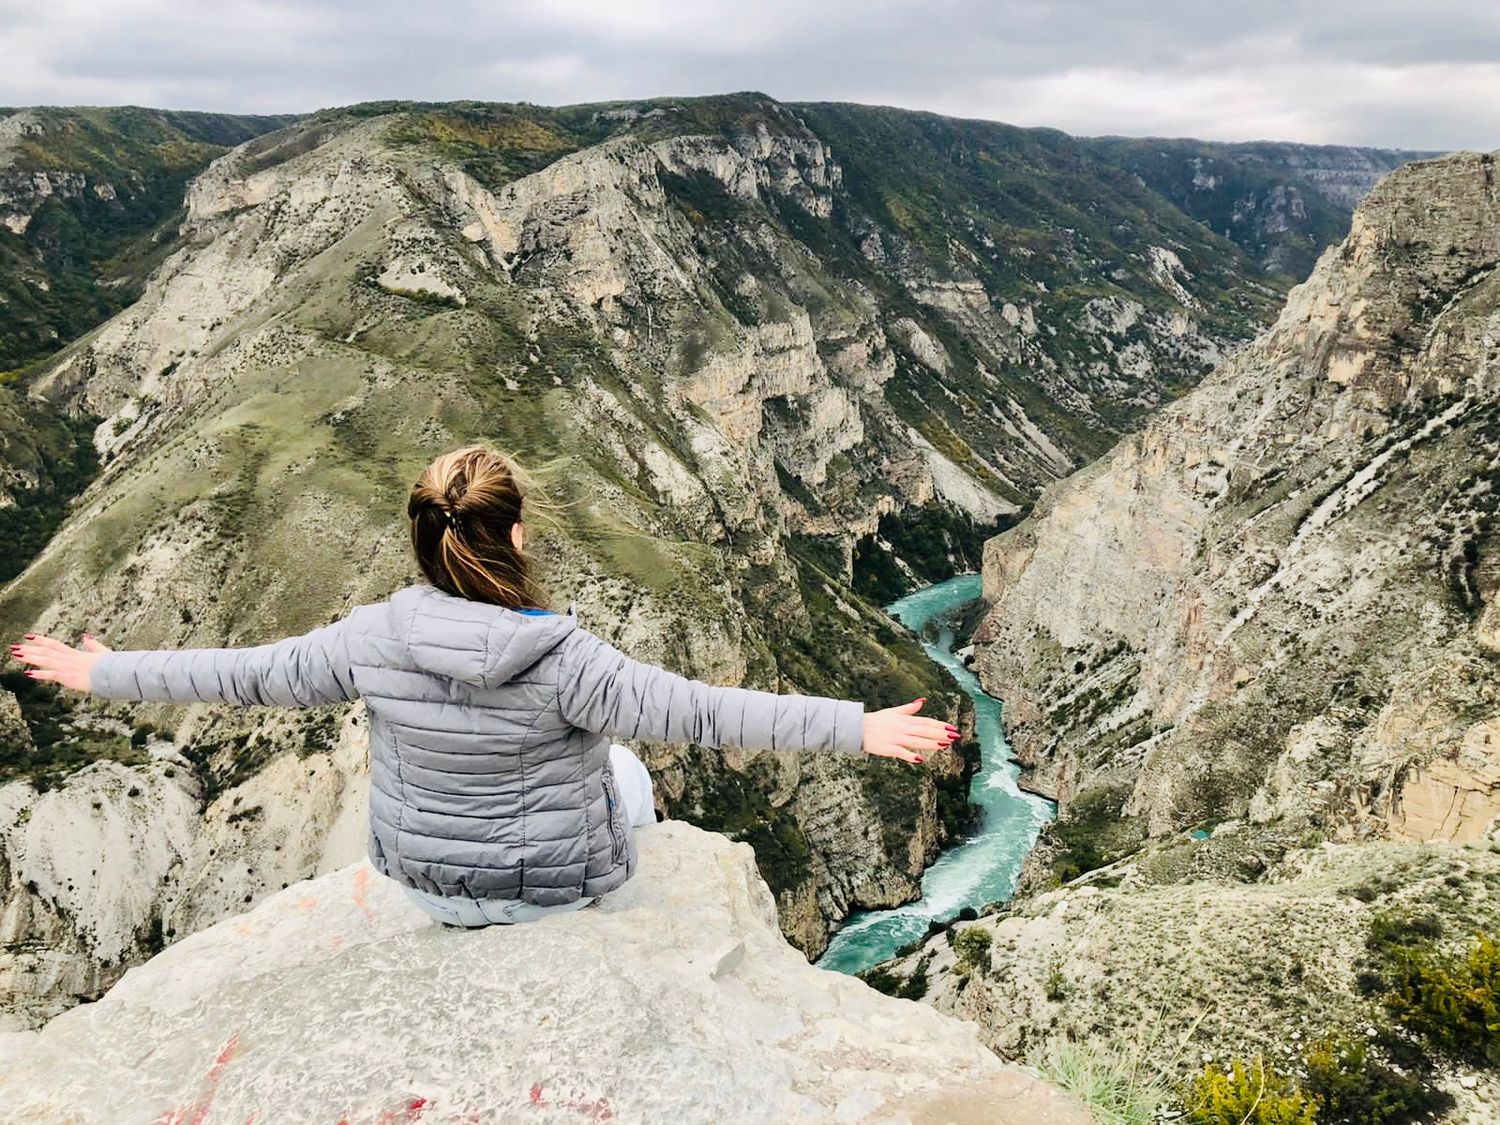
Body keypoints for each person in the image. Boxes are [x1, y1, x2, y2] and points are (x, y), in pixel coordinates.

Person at [9, 445, 957, 928]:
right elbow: (701, 708)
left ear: (425, 542)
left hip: (427, 891)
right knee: (627, 768)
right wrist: (857, 727)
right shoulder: (568, 660)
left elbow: (243, 674)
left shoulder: (371, 634)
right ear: (513, 537)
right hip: (553, 893)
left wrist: (98, 669)